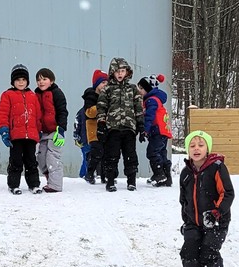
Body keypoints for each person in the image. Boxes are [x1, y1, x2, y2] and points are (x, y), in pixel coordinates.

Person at [178, 130, 234, 267]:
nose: (196, 149)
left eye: (201, 145)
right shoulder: (186, 173)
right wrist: (186, 222)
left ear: (207, 149)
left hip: (216, 221)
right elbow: (184, 200)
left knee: (209, 252)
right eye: (192, 146)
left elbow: (227, 193)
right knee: (189, 250)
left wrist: (216, 213)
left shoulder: (217, 168)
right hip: (193, 221)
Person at [96, 56, 144, 191]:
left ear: (127, 72)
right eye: (117, 71)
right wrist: (101, 124)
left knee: (130, 155)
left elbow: (138, 108)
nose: (120, 74)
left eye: (122, 71)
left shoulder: (133, 89)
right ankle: (110, 180)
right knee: (112, 155)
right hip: (113, 128)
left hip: (129, 128)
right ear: (112, 73)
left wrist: (140, 125)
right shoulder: (107, 90)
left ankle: (131, 181)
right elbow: (101, 107)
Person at [0, 64, 42, 194]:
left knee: (31, 161)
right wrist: (4, 131)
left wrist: (39, 130)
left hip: (31, 135)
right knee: (16, 161)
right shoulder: (8, 95)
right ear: (13, 82)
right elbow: (2, 114)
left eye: (23, 80)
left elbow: (37, 115)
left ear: (27, 81)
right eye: (18, 80)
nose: (21, 82)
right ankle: (13, 185)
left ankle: (34, 185)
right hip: (15, 135)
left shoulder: (32, 96)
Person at [34, 67, 68, 192]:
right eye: (38, 80)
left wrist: (61, 130)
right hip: (42, 132)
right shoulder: (36, 94)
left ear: (51, 81)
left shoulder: (57, 93)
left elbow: (62, 112)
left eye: (44, 79)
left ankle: (56, 185)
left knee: (52, 157)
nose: (41, 82)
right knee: (41, 158)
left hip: (55, 131)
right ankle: (50, 178)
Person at [137, 73, 173, 186]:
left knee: (152, 152)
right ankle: (167, 177)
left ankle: (159, 173)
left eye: (140, 88)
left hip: (157, 130)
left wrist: (145, 130)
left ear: (146, 89)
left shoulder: (151, 100)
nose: (139, 91)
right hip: (163, 131)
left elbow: (149, 117)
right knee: (161, 153)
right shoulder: (156, 99)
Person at [74, 69, 107, 183]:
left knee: (105, 154)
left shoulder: (108, 96)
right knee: (93, 154)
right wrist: (101, 106)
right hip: (92, 132)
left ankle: (104, 176)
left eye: (107, 83)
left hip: (104, 130)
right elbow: (89, 113)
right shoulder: (91, 96)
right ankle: (88, 173)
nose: (105, 85)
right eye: (103, 82)